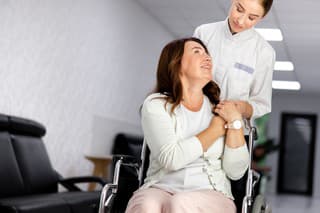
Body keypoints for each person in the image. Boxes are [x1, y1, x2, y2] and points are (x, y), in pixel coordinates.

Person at [125, 37, 249, 213]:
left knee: (180, 203)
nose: (207, 58)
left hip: (212, 193)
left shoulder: (220, 109)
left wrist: (235, 122)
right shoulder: (156, 104)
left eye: (207, 53)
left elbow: (236, 172)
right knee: (147, 205)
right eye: (197, 52)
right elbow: (172, 159)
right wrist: (214, 130)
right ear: (176, 63)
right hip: (161, 187)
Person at [193, 0, 275, 121]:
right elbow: (187, 77)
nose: (240, 21)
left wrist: (243, 108)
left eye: (251, 18)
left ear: (262, 17)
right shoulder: (204, 33)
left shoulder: (264, 52)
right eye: (239, 9)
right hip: (194, 122)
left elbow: (261, 104)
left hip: (233, 130)